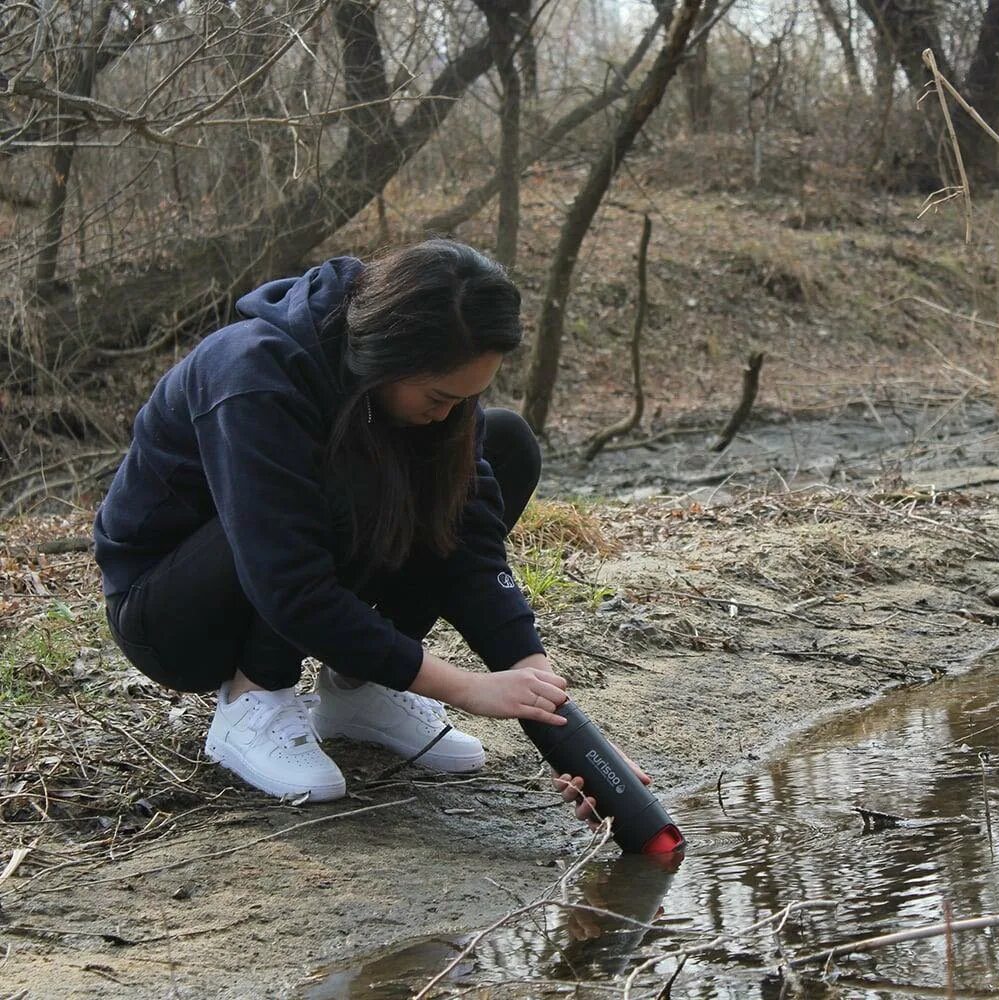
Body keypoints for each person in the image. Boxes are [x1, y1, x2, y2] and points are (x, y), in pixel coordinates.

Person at [93, 239, 642, 817]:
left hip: (289, 569)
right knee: (351, 469)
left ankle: (360, 687)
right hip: (175, 614)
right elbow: (290, 584)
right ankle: (253, 697)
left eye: (467, 397)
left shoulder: (429, 391)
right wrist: (466, 688)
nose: (452, 412)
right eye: (440, 396)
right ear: (388, 356)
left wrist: (559, 717)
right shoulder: (255, 373)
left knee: (505, 446)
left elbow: (469, 544)